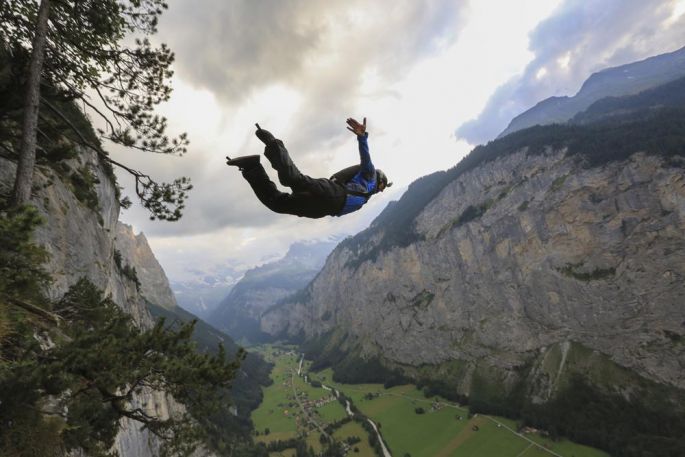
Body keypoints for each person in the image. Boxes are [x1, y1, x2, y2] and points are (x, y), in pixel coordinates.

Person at [226, 117, 391, 218]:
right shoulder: (370, 176)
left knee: (278, 204)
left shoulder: (364, 198)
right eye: (382, 187)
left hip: (323, 209)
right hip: (333, 194)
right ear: (380, 181)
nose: (380, 190)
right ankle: (273, 143)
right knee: (293, 180)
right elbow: (366, 158)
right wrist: (363, 137)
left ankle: (252, 167)